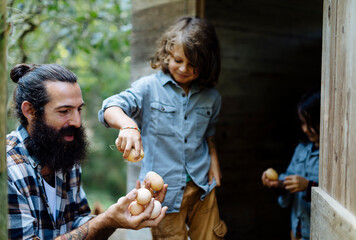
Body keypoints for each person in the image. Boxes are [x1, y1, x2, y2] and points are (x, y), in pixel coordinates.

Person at [98, 16, 227, 239]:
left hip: (202, 187)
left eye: (194, 65)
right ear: (167, 54)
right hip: (163, 194)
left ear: (207, 65)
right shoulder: (147, 88)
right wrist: (128, 125)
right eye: (178, 60)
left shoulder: (212, 98)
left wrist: (214, 160)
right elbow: (110, 107)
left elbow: (209, 134)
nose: (184, 69)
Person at [6, 63, 168, 240]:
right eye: (64, 111)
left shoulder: (63, 155)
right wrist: (106, 220)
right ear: (30, 111)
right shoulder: (7, 169)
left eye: (79, 109)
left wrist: (122, 213)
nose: (76, 121)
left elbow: (80, 226)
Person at [261, 87, 321, 240]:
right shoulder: (301, 150)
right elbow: (289, 180)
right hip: (298, 232)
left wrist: (308, 187)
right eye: (303, 123)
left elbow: (336, 198)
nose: (306, 129)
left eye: (311, 123)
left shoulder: (334, 157)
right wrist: (279, 184)